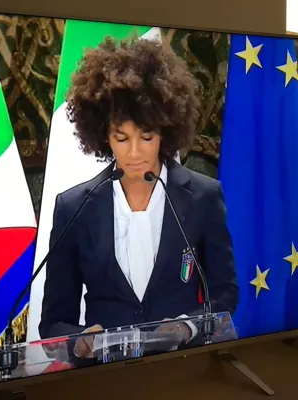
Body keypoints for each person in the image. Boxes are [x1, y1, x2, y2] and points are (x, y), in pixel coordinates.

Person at [39, 36, 239, 359]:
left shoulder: (203, 197)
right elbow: (53, 323)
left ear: (165, 132)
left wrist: (186, 326)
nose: (134, 153)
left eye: (146, 137)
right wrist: (79, 339)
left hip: (182, 368)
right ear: (104, 136)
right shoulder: (73, 208)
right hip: (107, 375)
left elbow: (225, 294)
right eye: (122, 138)